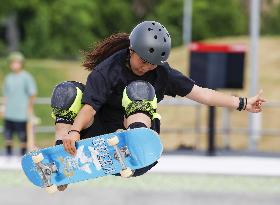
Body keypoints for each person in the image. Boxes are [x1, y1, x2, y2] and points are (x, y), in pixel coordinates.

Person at [50, 21, 265, 191]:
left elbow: (202, 94)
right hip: (99, 129)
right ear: (131, 51)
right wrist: (74, 131)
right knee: (67, 92)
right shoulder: (108, 70)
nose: (147, 67)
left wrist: (243, 103)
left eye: (152, 63)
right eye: (143, 61)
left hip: (138, 143)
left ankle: (133, 142)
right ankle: (59, 159)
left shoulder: (162, 73)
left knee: (139, 89)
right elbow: (89, 108)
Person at [2, 52, 37, 156]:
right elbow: (6, 95)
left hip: (21, 113)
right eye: (12, 62)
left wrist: (29, 108)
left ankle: (22, 156)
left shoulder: (26, 77)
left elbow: (32, 94)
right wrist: (3, 108)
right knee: (8, 136)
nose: (14, 65)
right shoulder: (8, 77)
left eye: (17, 62)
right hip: (9, 113)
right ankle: (8, 156)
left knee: (22, 137)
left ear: (21, 64)